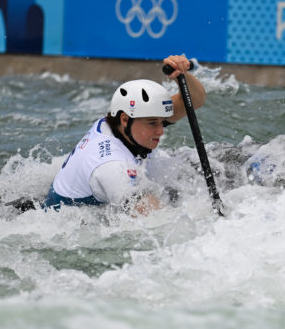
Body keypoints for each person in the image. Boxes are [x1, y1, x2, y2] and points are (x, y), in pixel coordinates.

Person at [42, 55, 206, 215]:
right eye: (153, 123)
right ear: (125, 119)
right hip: (65, 226)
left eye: (162, 121)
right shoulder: (112, 167)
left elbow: (194, 101)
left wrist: (182, 76)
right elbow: (158, 220)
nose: (161, 130)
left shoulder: (123, 123)